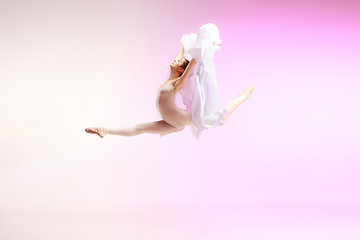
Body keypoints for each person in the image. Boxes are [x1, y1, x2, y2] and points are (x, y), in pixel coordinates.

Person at [85, 23, 254, 139]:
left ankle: (241, 97)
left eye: (178, 62)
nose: (175, 60)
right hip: (173, 122)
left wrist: (205, 48)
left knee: (218, 120)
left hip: (178, 120)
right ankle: (106, 131)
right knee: (140, 128)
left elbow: (191, 64)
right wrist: (183, 46)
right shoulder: (171, 78)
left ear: (181, 70)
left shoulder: (175, 85)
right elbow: (182, 54)